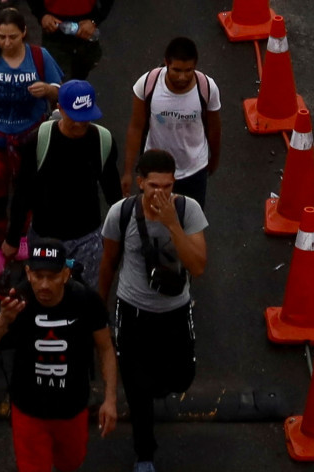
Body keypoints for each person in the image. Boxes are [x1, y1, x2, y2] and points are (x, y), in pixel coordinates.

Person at [99, 150, 208, 472]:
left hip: (174, 309)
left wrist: (172, 224)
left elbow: (198, 266)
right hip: (133, 310)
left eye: (168, 186)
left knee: (181, 376)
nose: (160, 193)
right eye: (154, 186)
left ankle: (155, 385)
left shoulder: (187, 211)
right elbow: (108, 264)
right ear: (140, 183)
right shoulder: (121, 214)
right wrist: (99, 309)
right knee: (136, 387)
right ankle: (144, 453)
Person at [0, 234, 118, 467]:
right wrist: (3, 320)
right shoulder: (16, 300)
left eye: (52, 277)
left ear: (65, 274)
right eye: (38, 276)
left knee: (71, 463)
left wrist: (110, 399)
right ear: (29, 273)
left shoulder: (86, 300)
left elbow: (105, 348)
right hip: (29, 414)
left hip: (73, 411)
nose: (44, 285)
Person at [0, 8, 63, 271]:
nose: (6, 42)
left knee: (25, 190)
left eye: (12, 37)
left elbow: (61, 93)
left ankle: (21, 236)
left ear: (24, 33)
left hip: (30, 137)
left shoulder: (40, 57)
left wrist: (49, 90)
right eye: (1, 37)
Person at [4, 82, 122, 285]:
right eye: (74, 118)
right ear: (60, 109)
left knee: (85, 294)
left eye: (85, 119)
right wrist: (13, 238)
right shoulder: (39, 141)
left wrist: (121, 234)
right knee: (44, 292)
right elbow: (23, 192)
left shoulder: (103, 140)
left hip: (87, 239)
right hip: (44, 235)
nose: (79, 125)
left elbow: (113, 193)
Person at [123, 38, 222, 207]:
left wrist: (214, 159)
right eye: (176, 70)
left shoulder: (207, 87)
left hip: (194, 170)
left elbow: (214, 128)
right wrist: (127, 172)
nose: (182, 77)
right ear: (166, 63)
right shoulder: (147, 84)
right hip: (155, 171)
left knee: (189, 225)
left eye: (188, 70)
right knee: (153, 222)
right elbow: (136, 127)